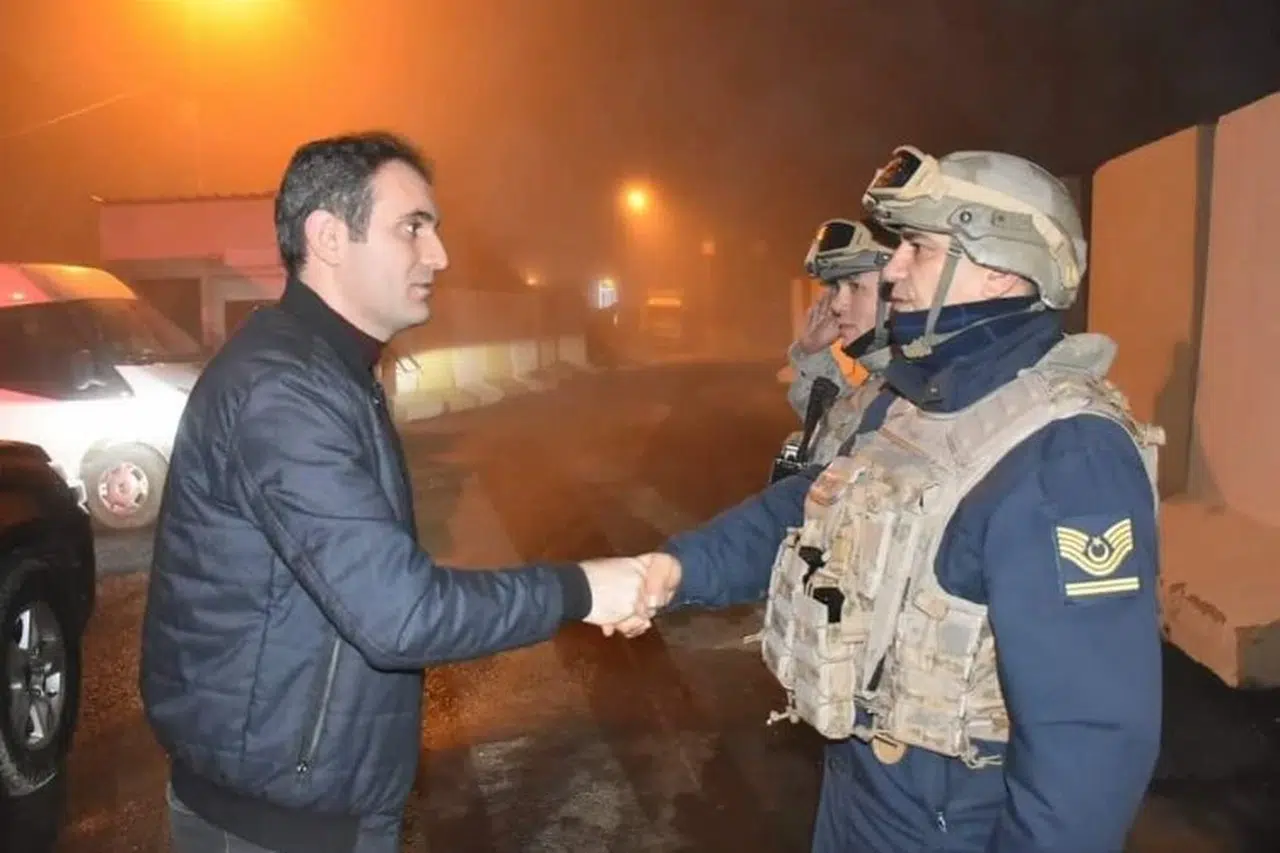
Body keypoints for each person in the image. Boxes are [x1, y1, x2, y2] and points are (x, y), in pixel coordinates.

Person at [626, 145, 1166, 851]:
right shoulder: (915, 403)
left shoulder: (1067, 455)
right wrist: (676, 569)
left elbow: (1086, 748)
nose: (894, 270)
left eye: (919, 247)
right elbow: (804, 507)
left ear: (1001, 266)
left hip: (950, 824)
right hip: (862, 794)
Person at [139, 131, 652, 853]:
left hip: (311, 804)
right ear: (328, 237)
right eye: (412, 227)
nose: (438, 254)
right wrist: (583, 589)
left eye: (433, 228)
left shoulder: (327, 373)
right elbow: (400, 613)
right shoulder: (282, 393)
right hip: (274, 825)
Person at [782, 218, 896, 468]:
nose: (836, 305)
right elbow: (834, 427)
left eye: (854, 286)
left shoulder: (916, 394)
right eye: (837, 288)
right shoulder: (884, 383)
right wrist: (812, 352)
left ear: (900, 287)